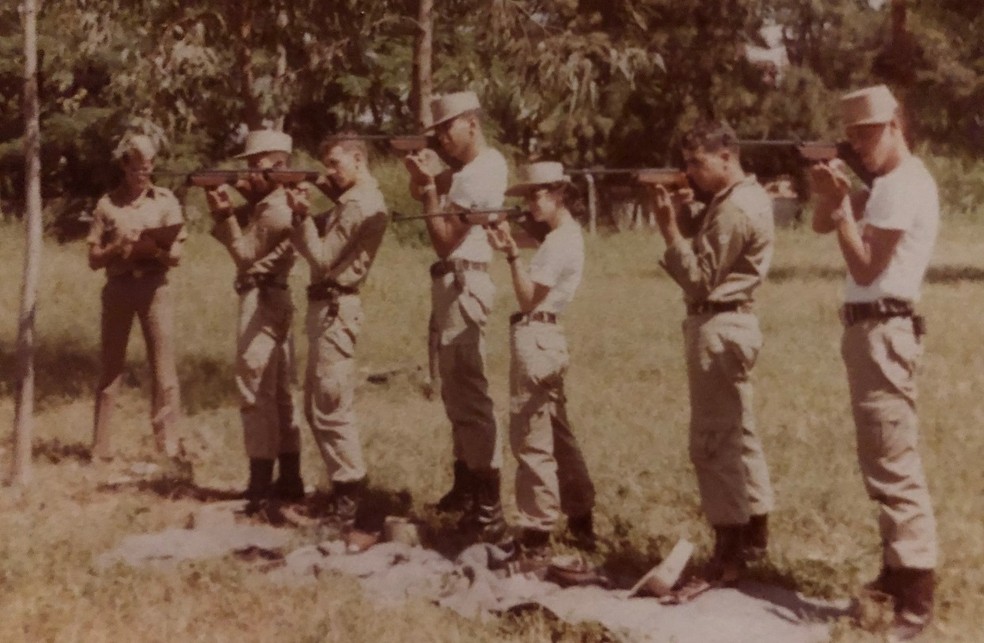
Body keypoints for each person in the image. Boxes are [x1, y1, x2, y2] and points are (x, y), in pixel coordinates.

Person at [810, 84, 938, 641]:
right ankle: (896, 571)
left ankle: (917, 597)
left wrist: (842, 209)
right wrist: (828, 194)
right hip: (872, 332)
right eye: (853, 137)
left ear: (894, 126)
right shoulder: (887, 185)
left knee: (894, 461)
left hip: (884, 329)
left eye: (867, 135)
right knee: (880, 458)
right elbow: (820, 224)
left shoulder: (902, 185)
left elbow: (865, 267)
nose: (859, 145)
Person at [648, 120, 776, 594]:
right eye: (686, 164)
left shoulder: (733, 209)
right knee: (739, 433)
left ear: (727, 156)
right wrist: (691, 214)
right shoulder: (741, 198)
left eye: (698, 163)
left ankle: (729, 550)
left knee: (713, 441)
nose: (691, 172)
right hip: (733, 324)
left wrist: (668, 229)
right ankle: (753, 533)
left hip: (718, 325)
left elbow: (700, 279)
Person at [403, 90, 508, 542]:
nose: (442, 138)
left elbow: (444, 238)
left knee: (469, 395)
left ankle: (488, 507)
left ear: (471, 123)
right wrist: (423, 178)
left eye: (447, 129)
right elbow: (426, 188)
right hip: (454, 283)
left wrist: (429, 189)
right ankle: (467, 488)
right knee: (456, 394)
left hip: (464, 281)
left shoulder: (480, 173)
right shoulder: (470, 171)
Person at [486, 161, 596, 552]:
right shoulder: (565, 235)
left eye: (538, 193)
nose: (532, 202)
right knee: (557, 433)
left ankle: (536, 531)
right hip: (548, 338)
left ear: (560, 193)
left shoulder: (558, 242)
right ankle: (581, 516)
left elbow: (528, 298)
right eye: (529, 194)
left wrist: (511, 255)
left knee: (531, 438)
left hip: (536, 334)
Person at [285, 134, 388, 522]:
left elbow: (324, 257)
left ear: (358, 159)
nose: (330, 172)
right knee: (318, 406)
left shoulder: (358, 203)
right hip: (328, 307)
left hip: (335, 308)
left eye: (335, 163)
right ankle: (344, 489)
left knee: (330, 406)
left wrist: (300, 215)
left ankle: (350, 497)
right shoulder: (352, 200)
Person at [206, 130, 303, 511]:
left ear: (277, 166)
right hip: (276, 295)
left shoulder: (274, 209)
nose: (248, 173)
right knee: (280, 392)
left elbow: (246, 255)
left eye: (255, 166)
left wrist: (224, 215)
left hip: (260, 298)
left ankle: (260, 485)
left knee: (255, 391)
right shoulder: (278, 203)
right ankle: (290, 478)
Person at [87, 134, 186, 461]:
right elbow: (93, 259)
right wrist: (118, 247)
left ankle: (168, 446)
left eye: (146, 168)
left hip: (155, 288)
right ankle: (100, 448)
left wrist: (154, 249)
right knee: (111, 368)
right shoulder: (107, 204)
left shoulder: (166, 201)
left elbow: (177, 256)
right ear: (124, 166)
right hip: (119, 288)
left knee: (164, 369)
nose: (141, 174)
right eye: (135, 169)